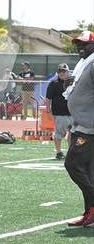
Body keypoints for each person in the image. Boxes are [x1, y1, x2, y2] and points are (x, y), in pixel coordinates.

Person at [64, 31, 94, 228]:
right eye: (77, 44)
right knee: (89, 171)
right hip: (80, 124)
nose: (80, 47)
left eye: (84, 44)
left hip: (89, 127)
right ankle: (89, 213)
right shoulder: (84, 63)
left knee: (72, 164)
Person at [45, 63, 73, 160]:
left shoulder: (73, 81)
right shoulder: (54, 83)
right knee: (59, 133)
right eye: (60, 71)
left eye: (64, 71)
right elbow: (48, 98)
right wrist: (48, 111)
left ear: (68, 72)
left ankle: (71, 153)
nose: (62, 73)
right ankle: (59, 152)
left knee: (72, 133)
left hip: (73, 112)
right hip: (60, 113)